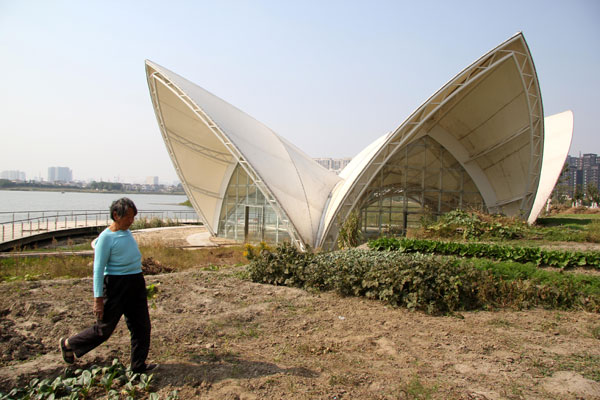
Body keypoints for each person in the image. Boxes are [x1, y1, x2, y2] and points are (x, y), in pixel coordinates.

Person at [59, 197, 157, 373]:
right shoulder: (105, 238)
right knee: (104, 330)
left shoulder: (127, 232)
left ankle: (138, 366)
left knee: (141, 326)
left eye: (133, 217)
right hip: (115, 286)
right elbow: (98, 270)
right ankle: (69, 344)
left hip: (135, 283)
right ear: (115, 215)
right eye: (128, 217)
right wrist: (98, 299)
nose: (131, 220)